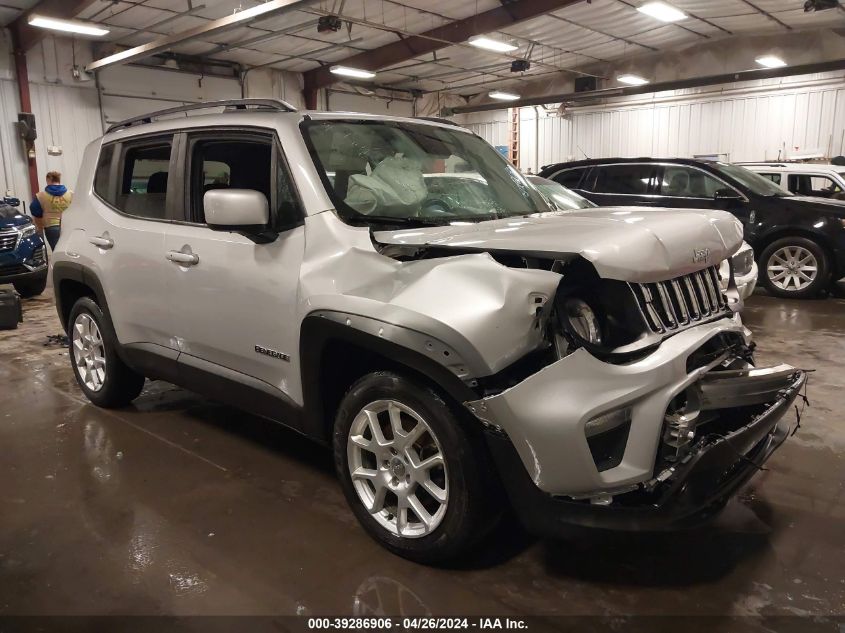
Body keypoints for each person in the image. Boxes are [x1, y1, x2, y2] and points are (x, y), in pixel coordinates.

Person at [30, 171, 73, 250]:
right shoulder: (71, 194)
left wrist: (40, 225)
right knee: (71, 250)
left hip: (51, 227)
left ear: (49, 180)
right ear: (59, 180)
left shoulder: (41, 195)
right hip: (69, 226)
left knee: (56, 251)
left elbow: (35, 210)